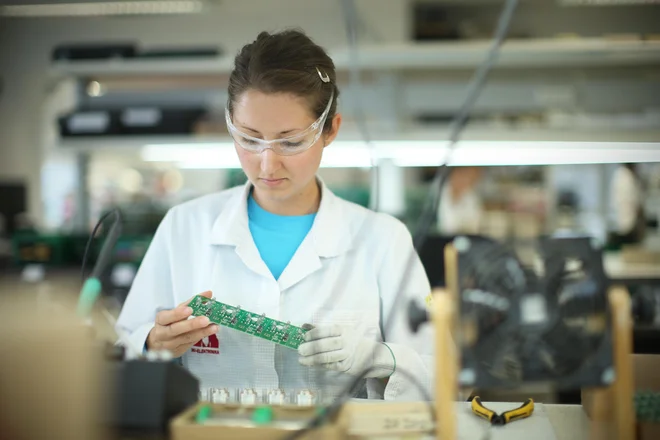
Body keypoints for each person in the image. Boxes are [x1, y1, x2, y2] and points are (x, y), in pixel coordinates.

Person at [116, 29, 432, 402]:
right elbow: (123, 350)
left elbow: (435, 372)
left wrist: (382, 358)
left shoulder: (383, 239)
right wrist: (154, 342)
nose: (267, 163)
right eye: (249, 138)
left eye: (291, 141)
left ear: (330, 130)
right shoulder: (185, 227)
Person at [437, 166, 483, 235]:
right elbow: (448, 226)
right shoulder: (437, 193)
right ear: (455, 173)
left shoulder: (471, 196)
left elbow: (475, 224)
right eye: (465, 175)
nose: (468, 181)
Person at [610, 163, 645, 246]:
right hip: (627, 220)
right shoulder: (624, 176)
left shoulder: (624, 175)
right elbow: (632, 200)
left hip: (629, 220)